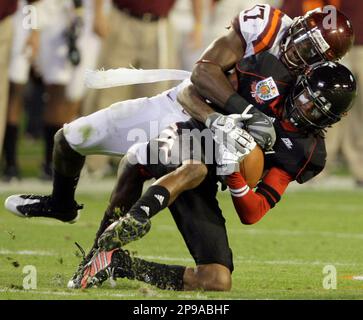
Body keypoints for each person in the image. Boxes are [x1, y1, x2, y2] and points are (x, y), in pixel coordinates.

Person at [4, 4, 353, 224]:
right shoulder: (265, 25)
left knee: (143, 164)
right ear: (297, 26)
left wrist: (248, 161)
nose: (297, 52)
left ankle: (106, 251)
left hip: (214, 146)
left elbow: (293, 133)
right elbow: (202, 73)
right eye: (302, 39)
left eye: (309, 53)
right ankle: (61, 204)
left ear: (320, 65)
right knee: (68, 138)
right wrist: (244, 111)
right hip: (187, 106)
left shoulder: (307, 87)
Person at [69, 62, 357, 291]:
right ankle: (134, 219)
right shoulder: (266, 75)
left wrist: (233, 174)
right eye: (307, 96)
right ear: (301, 82)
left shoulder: (307, 151)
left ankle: (116, 263)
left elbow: (253, 213)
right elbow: (188, 92)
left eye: (315, 110)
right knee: (187, 165)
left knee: (216, 280)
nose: (304, 107)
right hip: (185, 137)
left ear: (331, 120)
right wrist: (216, 120)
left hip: (203, 181)